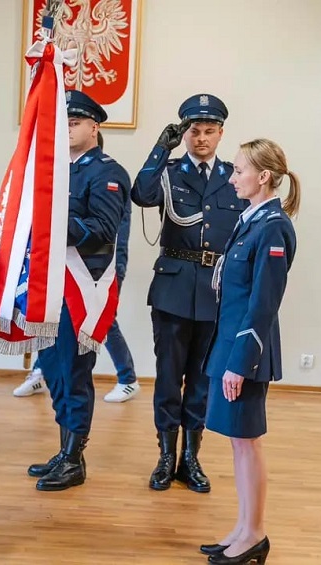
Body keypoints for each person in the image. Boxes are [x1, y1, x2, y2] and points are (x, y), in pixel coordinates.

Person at [131, 94, 247, 493]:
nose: (201, 138)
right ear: (185, 134)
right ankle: (165, 456)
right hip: (173, 287)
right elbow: (141, 195)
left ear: (221, 134)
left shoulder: (234, 176)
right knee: (167, 377)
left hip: (216, 290)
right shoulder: (168, 171)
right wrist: (161, 146)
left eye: (209, 131)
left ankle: (191, 459)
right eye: (194, 131)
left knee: (202, 380)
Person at [199, 139, 299, 564]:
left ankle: (254, 534)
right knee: (240, 444)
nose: (232, 176)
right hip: (229, 345)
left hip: (246, 353)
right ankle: (242, 528)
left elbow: (263, 303)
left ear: (263, 177)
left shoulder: (273, 226)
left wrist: (240, 363)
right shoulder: (252, 220)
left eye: (239, 170)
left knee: (247, 443)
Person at [27, 90, 129, 491]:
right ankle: (65, 448)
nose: (67, 129)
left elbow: (102, 231)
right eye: (63, 123)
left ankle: (75, 457)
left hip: (81, 288)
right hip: (50, 283)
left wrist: (53, 224)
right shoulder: (51, 167)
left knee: (74, 370)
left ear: (94, 127)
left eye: (74, 123)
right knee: (52, 368)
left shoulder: (107, 172)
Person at [13, 131, 138, 403]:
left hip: (97, 265)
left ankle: (127, 377)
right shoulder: (60, 172)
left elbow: (112, 233)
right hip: (60, 266)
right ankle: (40, 370)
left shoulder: (108, 174)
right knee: (52, 322)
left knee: (100, 323)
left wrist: (117, 267)